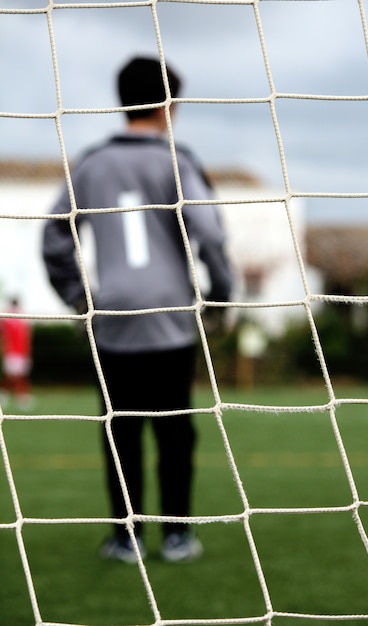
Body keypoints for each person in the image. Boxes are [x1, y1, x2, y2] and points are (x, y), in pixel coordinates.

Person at [42, 56, 233, 563]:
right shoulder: (179, 160)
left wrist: (76, 296)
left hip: (114, 319)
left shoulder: (91, 162)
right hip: (170, 316)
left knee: (120, 428)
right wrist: (222, 294)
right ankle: (176, 536)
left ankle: (126, 538)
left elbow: (55, 233)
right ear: (169, 105)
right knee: (174, 430)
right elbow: (210, 230)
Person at [0, 297, 32, 411]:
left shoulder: (23, 316)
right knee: (12, 377)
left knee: (20, 376)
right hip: (11, 352)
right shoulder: (6, 317)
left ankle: (21, 397)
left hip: (21, 352)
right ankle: (15, 396)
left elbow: (26, 336)